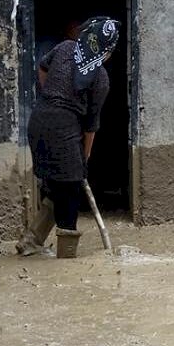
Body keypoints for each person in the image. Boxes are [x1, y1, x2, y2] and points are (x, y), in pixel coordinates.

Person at [16, 16, 121, 258]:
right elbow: (91, 126)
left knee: (55, 187)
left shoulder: (64, 48)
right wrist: (84, 159)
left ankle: (31, 241)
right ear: (106, 49)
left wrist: (49, 97)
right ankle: (66, 258)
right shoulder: (101, 78)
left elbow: (43, 68)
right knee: (71, 191)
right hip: (62, 131)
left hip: (38, 122)